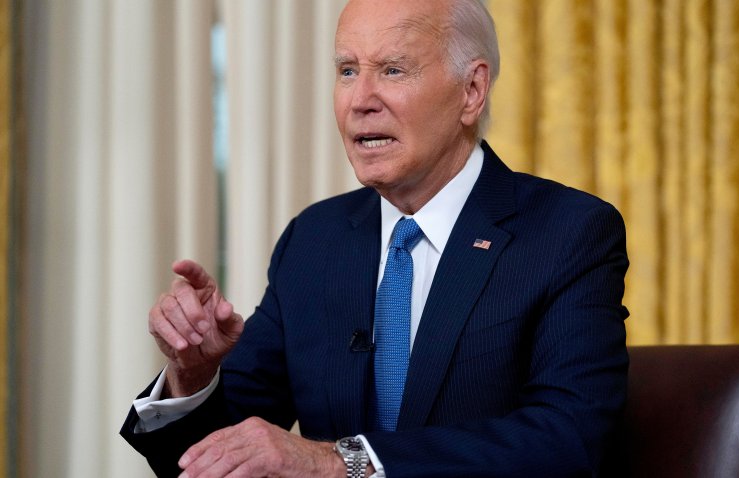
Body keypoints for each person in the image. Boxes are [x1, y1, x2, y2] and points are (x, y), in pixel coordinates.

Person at [120, 0, 630, 476]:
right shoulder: (315, 240)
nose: (361, 100)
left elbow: (570, 440)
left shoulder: (566, 232)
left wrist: (341, 462)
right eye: (347, 71)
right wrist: (193, 372)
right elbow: (208, 459)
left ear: (472, 91)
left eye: (392, 70)